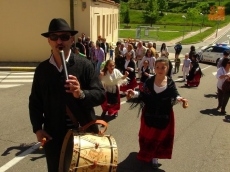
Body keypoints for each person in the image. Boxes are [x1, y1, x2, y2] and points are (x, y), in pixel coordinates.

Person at [29, 18, 106, 172]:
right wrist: (37, 128)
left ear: (71, 40)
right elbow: (35, 102)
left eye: (64, 37)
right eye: (54, 37)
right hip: (54, 136)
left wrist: (81, 94)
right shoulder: (42, 70)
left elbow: (100, 95)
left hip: (83, 133)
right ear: (49, 41)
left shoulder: (84, 65)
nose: (59, 41)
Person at [126, 58, 188, 169]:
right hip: (149, 114)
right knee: (147, 136)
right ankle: (147, 154)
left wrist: (181, 99)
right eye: (157, 67)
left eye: (163, 67)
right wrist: (133, 93)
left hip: (164, 115)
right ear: (154, 68)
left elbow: (175, 95)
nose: (160, 70)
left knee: (160, 137)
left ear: (167, 68)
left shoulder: (170, 83)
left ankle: (155, 156)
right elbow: (142, 93)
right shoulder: (149, 81)